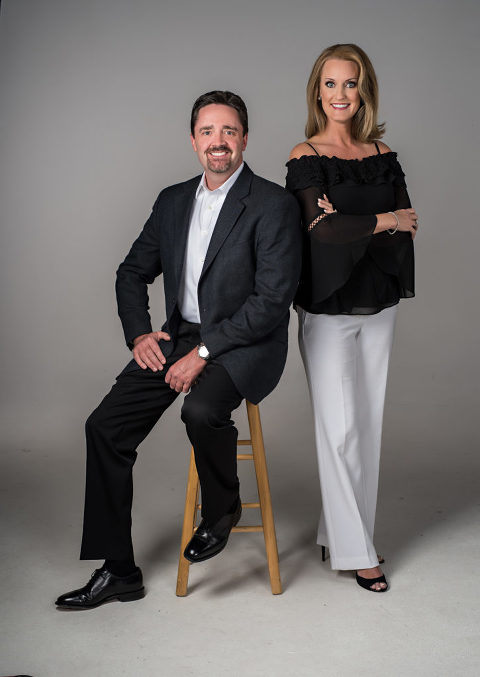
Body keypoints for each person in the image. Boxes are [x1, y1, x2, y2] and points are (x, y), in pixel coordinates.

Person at [56, 90, 301, 610]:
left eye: (229, 132)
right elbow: (131, 272)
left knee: (202, 408)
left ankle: (222, 509)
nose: (219, 142)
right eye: (208, 132)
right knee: (104, 428)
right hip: (179, 334)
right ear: (193, 141)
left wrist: (206, 352)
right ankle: (119, 569)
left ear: (245, 140)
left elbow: (271, 302)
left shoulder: (273, 204)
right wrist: (140, 334)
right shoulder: (172, 201)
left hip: (245, 342)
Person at [286, 44, 417, 592]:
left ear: (364, 90)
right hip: (328, 308)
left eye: (351, 83)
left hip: (379, 300)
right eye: (331, 84)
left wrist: (358, 220)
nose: (341, 95)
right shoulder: (304, 155)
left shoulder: (383, 151)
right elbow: (323, 231)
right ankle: (359, 552)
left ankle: (340, 532)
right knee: (338, 430)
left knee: (368, 427)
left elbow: (410, 221)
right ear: (318, 91)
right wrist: (380, 218)